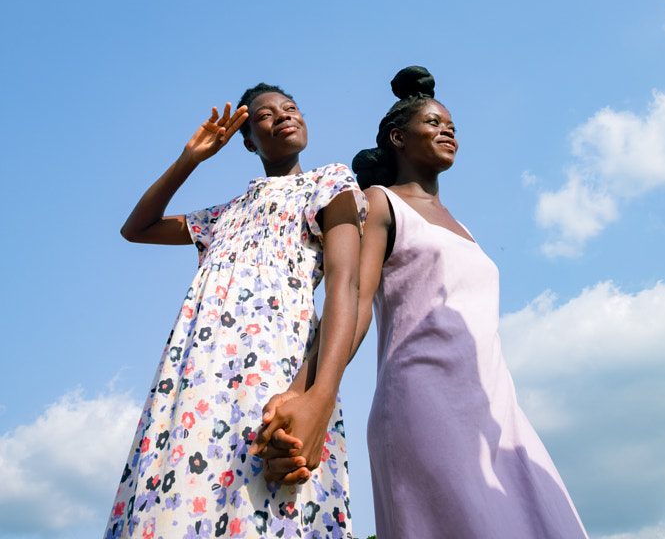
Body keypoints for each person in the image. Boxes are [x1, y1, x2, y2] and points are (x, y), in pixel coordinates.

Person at [104, 84, 366, 539]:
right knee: (175, 502)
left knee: (265, 508)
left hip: (276, 370)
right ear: (247, 141)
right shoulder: (223, 216)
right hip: (194, 380)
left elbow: (348, 286)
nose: (282, 116)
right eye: (264, 115)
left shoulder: (329, 183)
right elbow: (136, 227)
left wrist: (318, 394)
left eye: (290, 108)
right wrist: (191, 158)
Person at [348, 66, 589, 539]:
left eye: (452, 126)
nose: (448, 131)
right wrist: (310, 389)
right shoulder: (379, 202)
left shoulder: (464, 227)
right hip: (423, 403)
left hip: (497, 406)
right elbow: (354, 301)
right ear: (398, 137)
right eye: (434, 123)